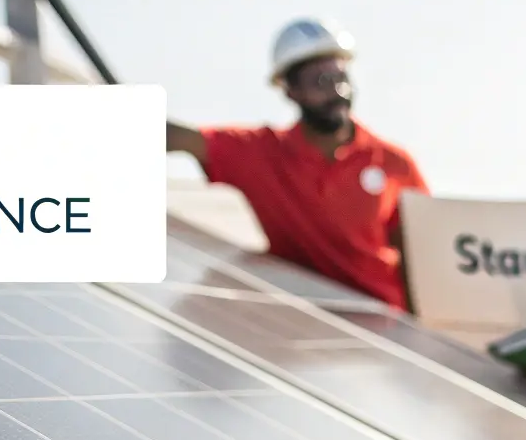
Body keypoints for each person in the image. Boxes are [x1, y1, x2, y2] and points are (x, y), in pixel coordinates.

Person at [166, 19, 426, 310]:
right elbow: (180, 138)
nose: (337, 91)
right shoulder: (261, 154)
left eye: (341, 78)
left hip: (388, 325)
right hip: (300, 322)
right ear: (291, 90)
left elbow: (424, 255)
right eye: (320, 81)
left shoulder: (394, 164)